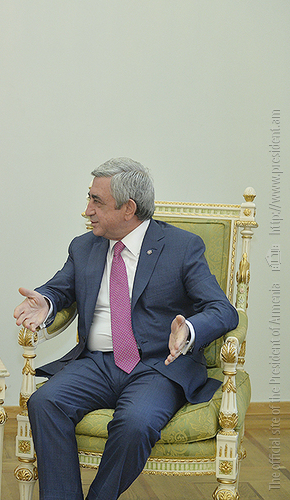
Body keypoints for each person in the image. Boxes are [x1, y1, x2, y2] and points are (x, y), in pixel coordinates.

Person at [13, 158, 238, 500]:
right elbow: (59, 288)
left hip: (158, 367)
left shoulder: (181, 247)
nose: (87, 210)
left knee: (135, 423)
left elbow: (223, 310)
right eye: (89, 198)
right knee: (45, 402)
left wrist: (189, 330)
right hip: (97, 364)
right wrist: (46, 301)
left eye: (97, 201)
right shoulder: (84, 246)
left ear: (128, 208)